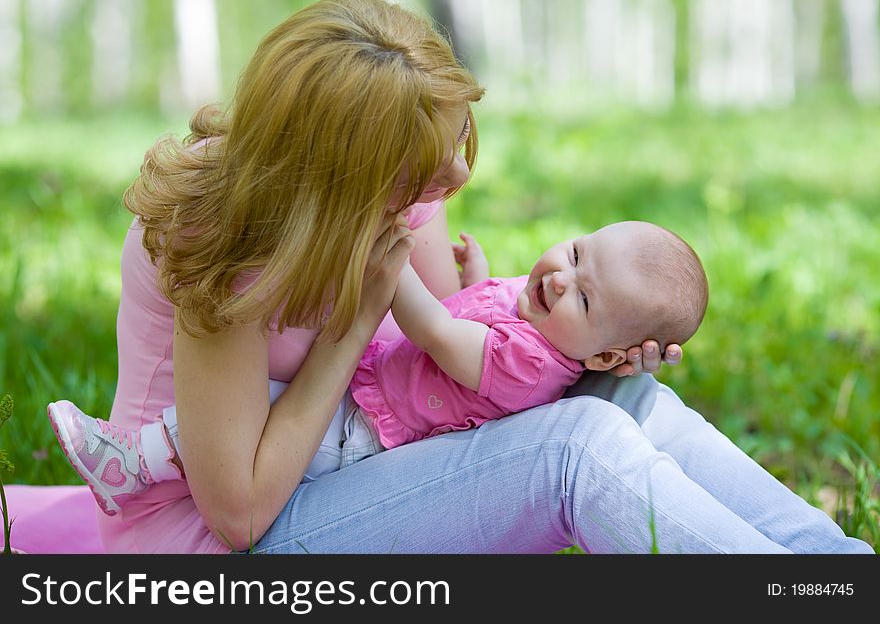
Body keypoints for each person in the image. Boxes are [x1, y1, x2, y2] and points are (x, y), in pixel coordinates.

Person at [48, 0, 872, 553]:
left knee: (619, 399)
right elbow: (239, 513)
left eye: (455, 139)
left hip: (362, 456)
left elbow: (455, 377)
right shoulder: (220, 233)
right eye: (423, 169)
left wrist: (580, 351)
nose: (453, 178)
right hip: (218, 537)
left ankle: (833, 566)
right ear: (343, 168)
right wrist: (360, 320)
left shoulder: (394, 178)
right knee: (574, 452)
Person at [50, 220, 712, 508]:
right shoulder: (542, 313)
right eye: (574, 252)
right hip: (363, 393)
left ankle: (131, 466)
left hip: (362, 432)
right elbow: (472, 312)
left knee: (250, 429)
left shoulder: (533, 366)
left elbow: (437, 329)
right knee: (251, 406)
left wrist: (385, 263)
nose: (561, 278)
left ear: (599, 354)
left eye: (586, 296)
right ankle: (147, 459)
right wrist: (480, 276)